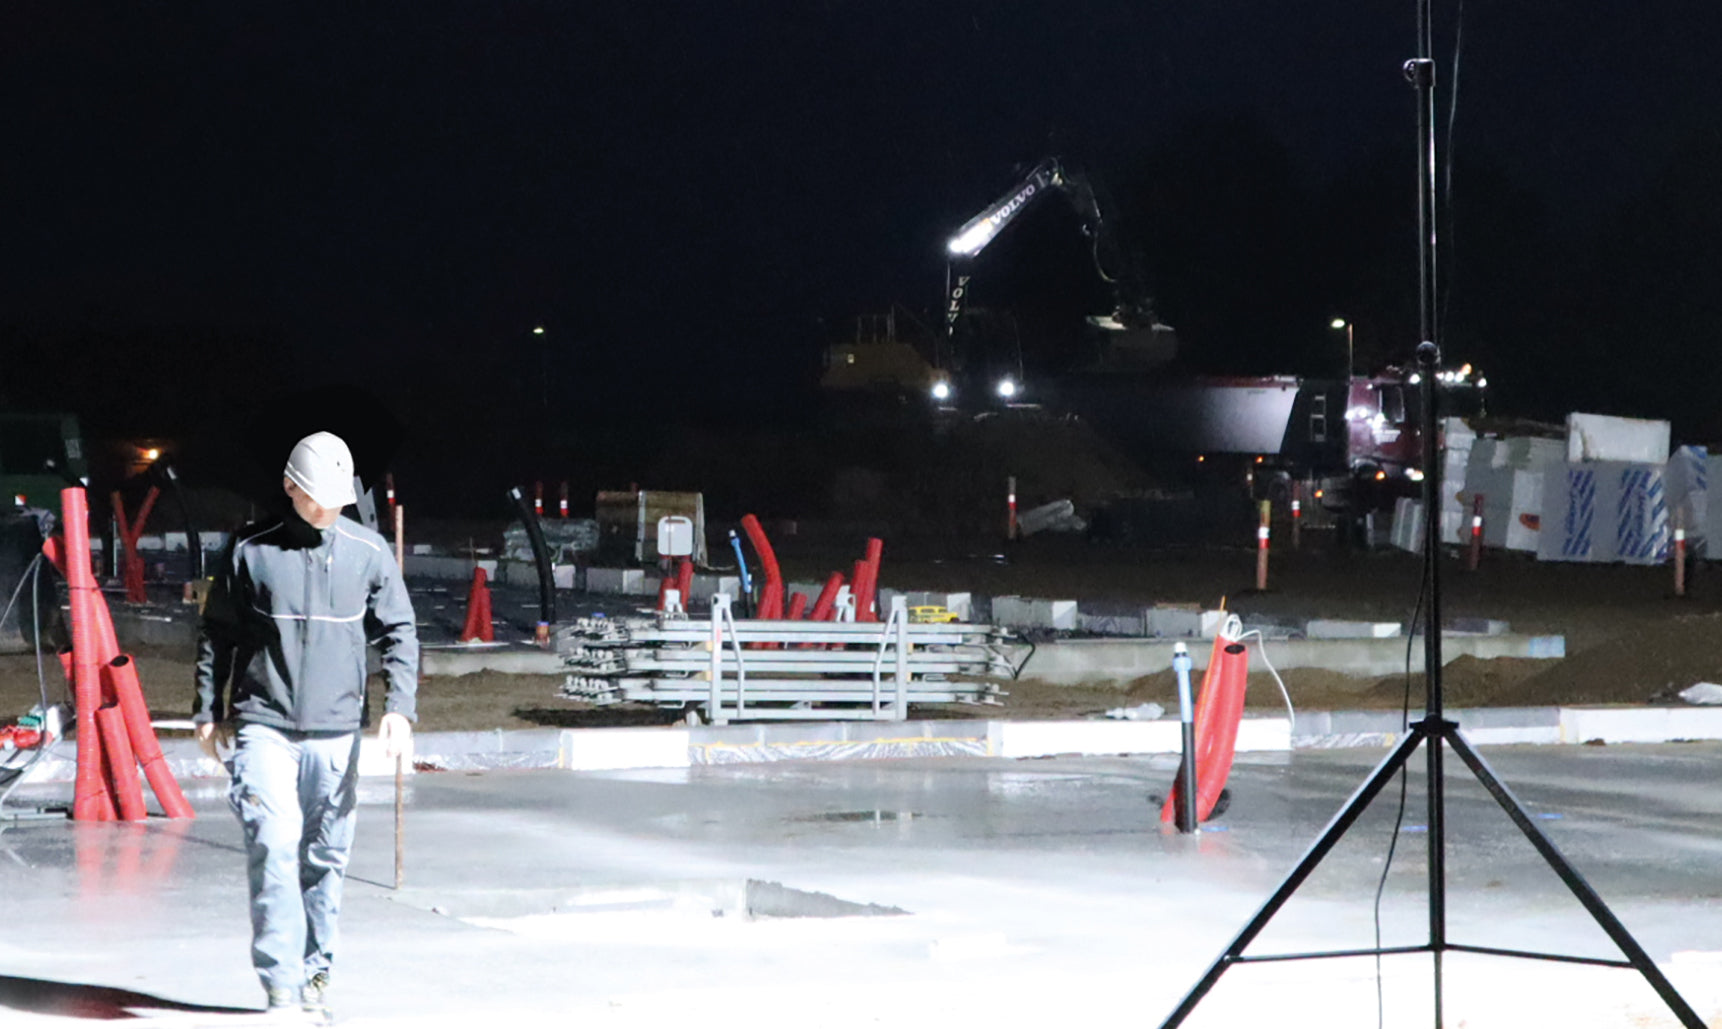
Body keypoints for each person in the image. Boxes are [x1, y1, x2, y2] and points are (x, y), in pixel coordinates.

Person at [193, 431, 418, 1023]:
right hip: (263, 723)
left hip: (338, 730)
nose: (328, 509)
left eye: (338, 499)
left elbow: (399, 631)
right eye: (318, 498)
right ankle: (281, 985)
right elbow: (217, 633)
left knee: (324, 857)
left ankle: (317, 969)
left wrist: (400, 706)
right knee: (273, 842)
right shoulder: (250, 550)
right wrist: (206, 711)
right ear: (290, 487)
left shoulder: (368, 552)